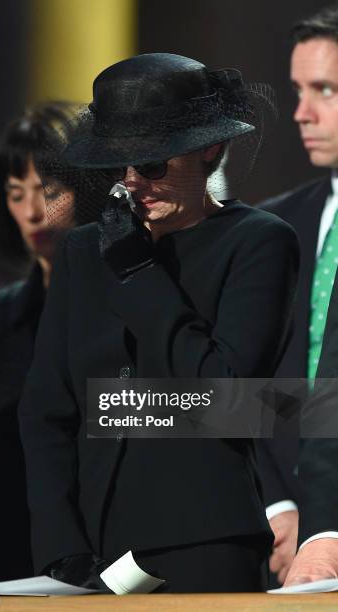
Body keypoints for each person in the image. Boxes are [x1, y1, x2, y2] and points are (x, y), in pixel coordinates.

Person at [18, 53, 299, 593]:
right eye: (118, 167)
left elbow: (229, 398)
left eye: (151, 165)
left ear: (209, 150)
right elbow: (46, 408)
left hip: (205, 539)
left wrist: (141, 274)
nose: (132, 184)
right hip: (94, 548)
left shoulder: (259, 240)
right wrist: (59, 544)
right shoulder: (85, 250)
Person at [0, 101, 104, 590]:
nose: (32, 212)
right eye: (15, 193)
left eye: (50, 191)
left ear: (88, 188)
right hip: (3, 566)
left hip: (116, 565)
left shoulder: (130, 305)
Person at [255, 2, 338, 586]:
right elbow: (250, 379)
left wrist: (329, 528)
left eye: (326, 90)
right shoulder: (274, 226)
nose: (301, 113)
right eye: (298, 90)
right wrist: (278, 506)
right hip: (281, 533)